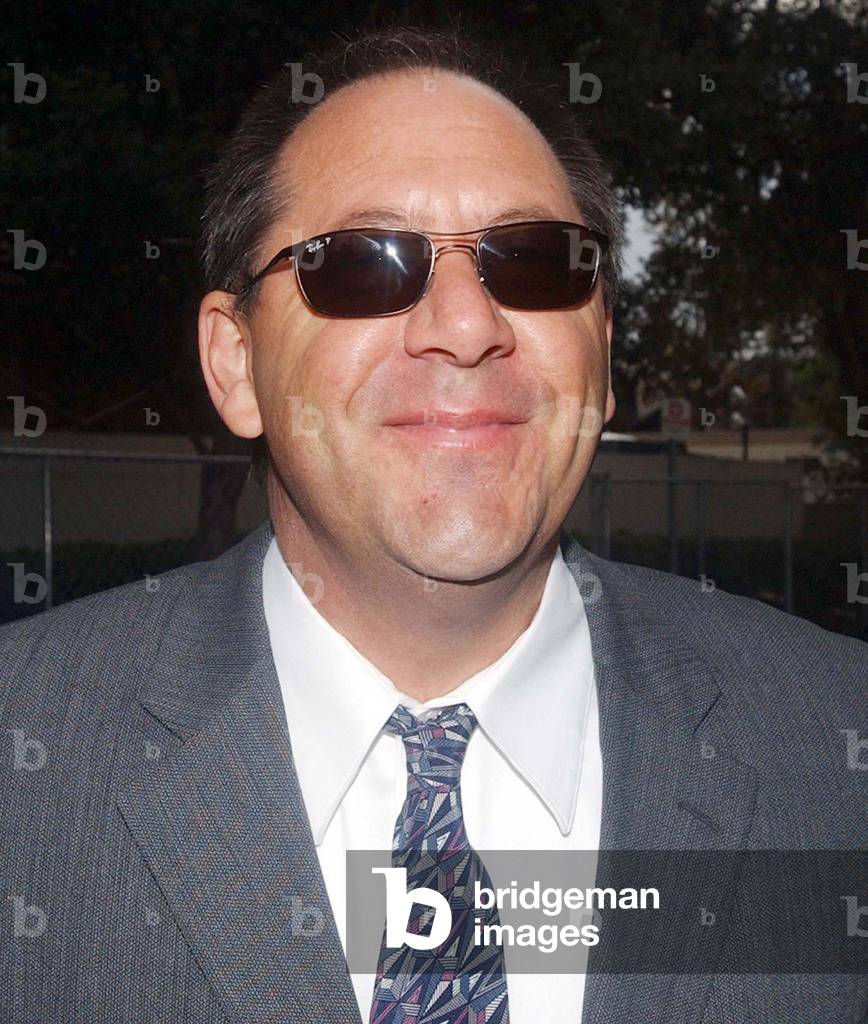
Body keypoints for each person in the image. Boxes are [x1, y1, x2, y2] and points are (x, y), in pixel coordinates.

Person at [0, 25, 864, 1024]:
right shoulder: (28, 754)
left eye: (535, 262)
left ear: (603, 347)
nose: (466, 325)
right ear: (235, 362)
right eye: (363, 262)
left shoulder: (834, 743)